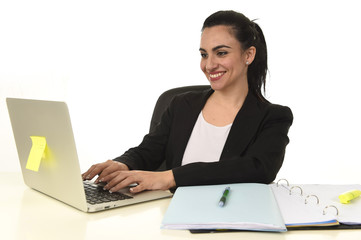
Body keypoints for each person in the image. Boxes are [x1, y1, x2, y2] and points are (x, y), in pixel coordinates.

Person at [82, 10, 293, 194]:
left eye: (221, 53)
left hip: (229, 221)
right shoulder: (181, 104)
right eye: (204, 54)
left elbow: (258, 169)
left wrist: (171, 177)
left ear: (248, 55)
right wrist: (123, 164)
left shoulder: (273, 117)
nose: (209, 65)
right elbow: (149, 150)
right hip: (170, 215)